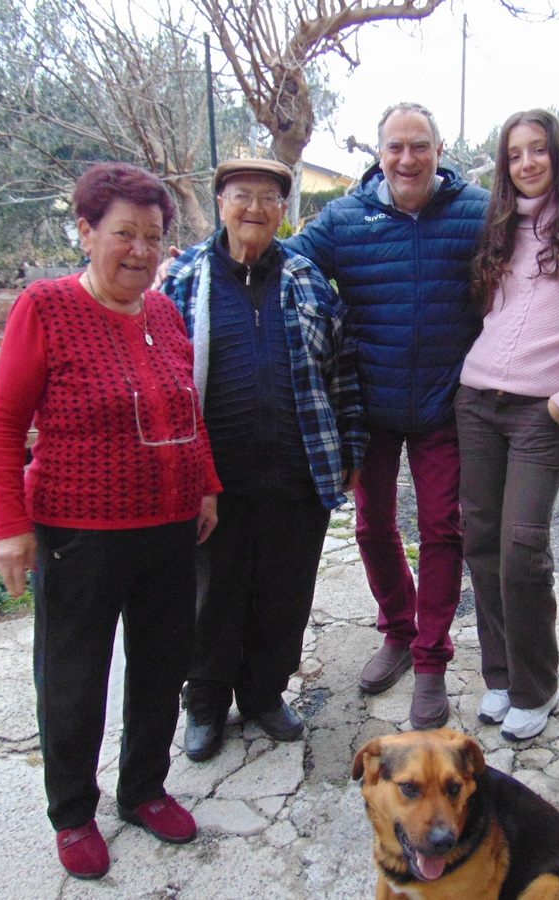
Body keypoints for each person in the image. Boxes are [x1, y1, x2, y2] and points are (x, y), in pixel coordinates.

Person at [0, 162, 221, 880]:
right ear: (86, 233)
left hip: (170, 526)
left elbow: (187, 409)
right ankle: (73, 814)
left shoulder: (165, 313)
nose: (141, 251)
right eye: (124, 233)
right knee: (75, 678)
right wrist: (11, 526)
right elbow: (2, 426)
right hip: (80, 534)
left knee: (160, 667)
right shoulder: (47, 307)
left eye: (153, 236)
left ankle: (143, 789)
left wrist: (205, 486)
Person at [284, 103, 489, 729]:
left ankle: (431, 663)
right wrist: (195, 262)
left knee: (441, 530)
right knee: (373, 528)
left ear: (439, 148)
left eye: (419, 146)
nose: (408, 159)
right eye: (396, 147)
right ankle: (398, 632)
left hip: (443, 403)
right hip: (368, 405)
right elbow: (281, 260)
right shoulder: (347, 220)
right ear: (379, 154)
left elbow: (551, 238)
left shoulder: (478, 212)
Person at [159, 158, 367, 759]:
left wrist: (352, 446)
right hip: (213, 481)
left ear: (285, 209)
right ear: (220, 201)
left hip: (298, 472)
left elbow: (342, 372)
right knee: (211, 597)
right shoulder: (182, 282)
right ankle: (203, 703)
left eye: (269, 197)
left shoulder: (307, 280)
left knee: (285, 592)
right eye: (241, 195)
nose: (255, 208)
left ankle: (264, 693)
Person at [457, 109, 559, 741]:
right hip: (476, 403)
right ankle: (501, 677)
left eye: (538, 150)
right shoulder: (497, 231)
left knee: (523, 552)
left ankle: (536, 686)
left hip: (537, 414)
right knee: (481, 544)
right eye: (515, 153)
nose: (527, 163)